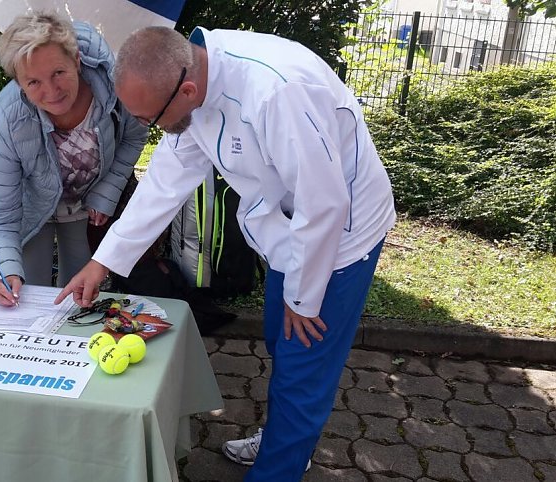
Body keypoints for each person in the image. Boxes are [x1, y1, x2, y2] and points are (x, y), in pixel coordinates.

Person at [56, 26, 396, 480]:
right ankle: (286, 440)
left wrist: (304, 297)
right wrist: (103, 261)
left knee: (302, 367)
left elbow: (325, 203)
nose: (146, 128)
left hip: (339, 238)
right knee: (280, 339)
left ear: (187, 90)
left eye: (150, 118)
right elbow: (165, 182)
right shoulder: (190, 78)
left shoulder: (277, 92)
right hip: (286, 228)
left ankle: (281, 461)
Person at [0, 11, 147, 306]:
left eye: (58, 73)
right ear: (19, 83)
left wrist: (107, 190)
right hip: (31, 210)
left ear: (77, 61)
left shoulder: (115, 86)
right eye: (33, 82)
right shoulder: (8, 116)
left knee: (80, 296)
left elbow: (135, 136)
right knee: (27, 294)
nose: (52, 91)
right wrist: (5, 270)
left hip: (86, 208)